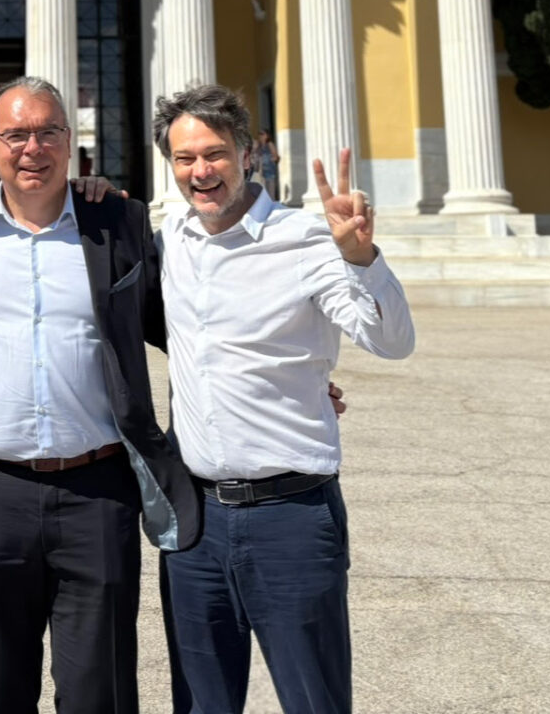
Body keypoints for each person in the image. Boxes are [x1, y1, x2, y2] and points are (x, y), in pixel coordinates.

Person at [0, 75, 196, 714]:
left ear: (70, 143)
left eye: (48, 132)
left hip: (96, 494)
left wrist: (287, 373)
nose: (33, 148)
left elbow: (183, 328)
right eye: (16, 134)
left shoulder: (118, 221)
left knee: (101, 691)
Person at [153, 83, 414, 714]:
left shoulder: (308, 238)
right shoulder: (168, 241)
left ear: (249, 154)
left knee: (313, 702)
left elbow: (392, 341)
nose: (200, 171)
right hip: (194, 525)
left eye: (215, 153)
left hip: (292, 518)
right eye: (185, 158)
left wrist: (361, 258)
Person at [252, 128, 281, 195]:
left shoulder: (269, 144)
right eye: (259, 134)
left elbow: (276, 157)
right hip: (261, 172)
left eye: (262, 134)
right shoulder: (259, 146)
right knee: (263, 193)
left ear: (267, 136)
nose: (260, 136)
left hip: (269, 172)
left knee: (270, 193)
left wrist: (269, 159)